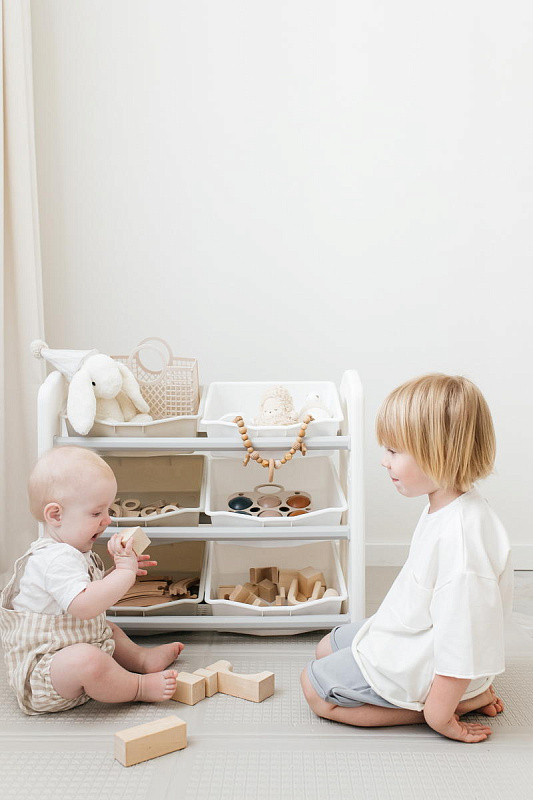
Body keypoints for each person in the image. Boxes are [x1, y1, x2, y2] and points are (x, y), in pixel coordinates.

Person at [301, 374, 513, 743]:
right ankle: (461, 696)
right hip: (410, 632)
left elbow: (462, 643)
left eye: (394, 451)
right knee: (325, 648)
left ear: (439, 453)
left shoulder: (463, 542)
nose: (384, 462)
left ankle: (453, 703)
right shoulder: (445, 504)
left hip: (435, 661)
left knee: (314, 690)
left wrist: (440, 716)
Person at [0, 446, 183, 715]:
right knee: (87, 659)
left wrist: (115, 575)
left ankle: (142, 659)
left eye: (108, 509)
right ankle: (138, 687)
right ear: (56, 515)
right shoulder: (54, 559)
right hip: (46, 676)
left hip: (69, 650)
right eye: (96, 513)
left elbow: (87, 592)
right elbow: (84, 606)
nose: (107, 520)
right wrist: (124, 573)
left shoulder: (73, 551)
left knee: (108, 629)